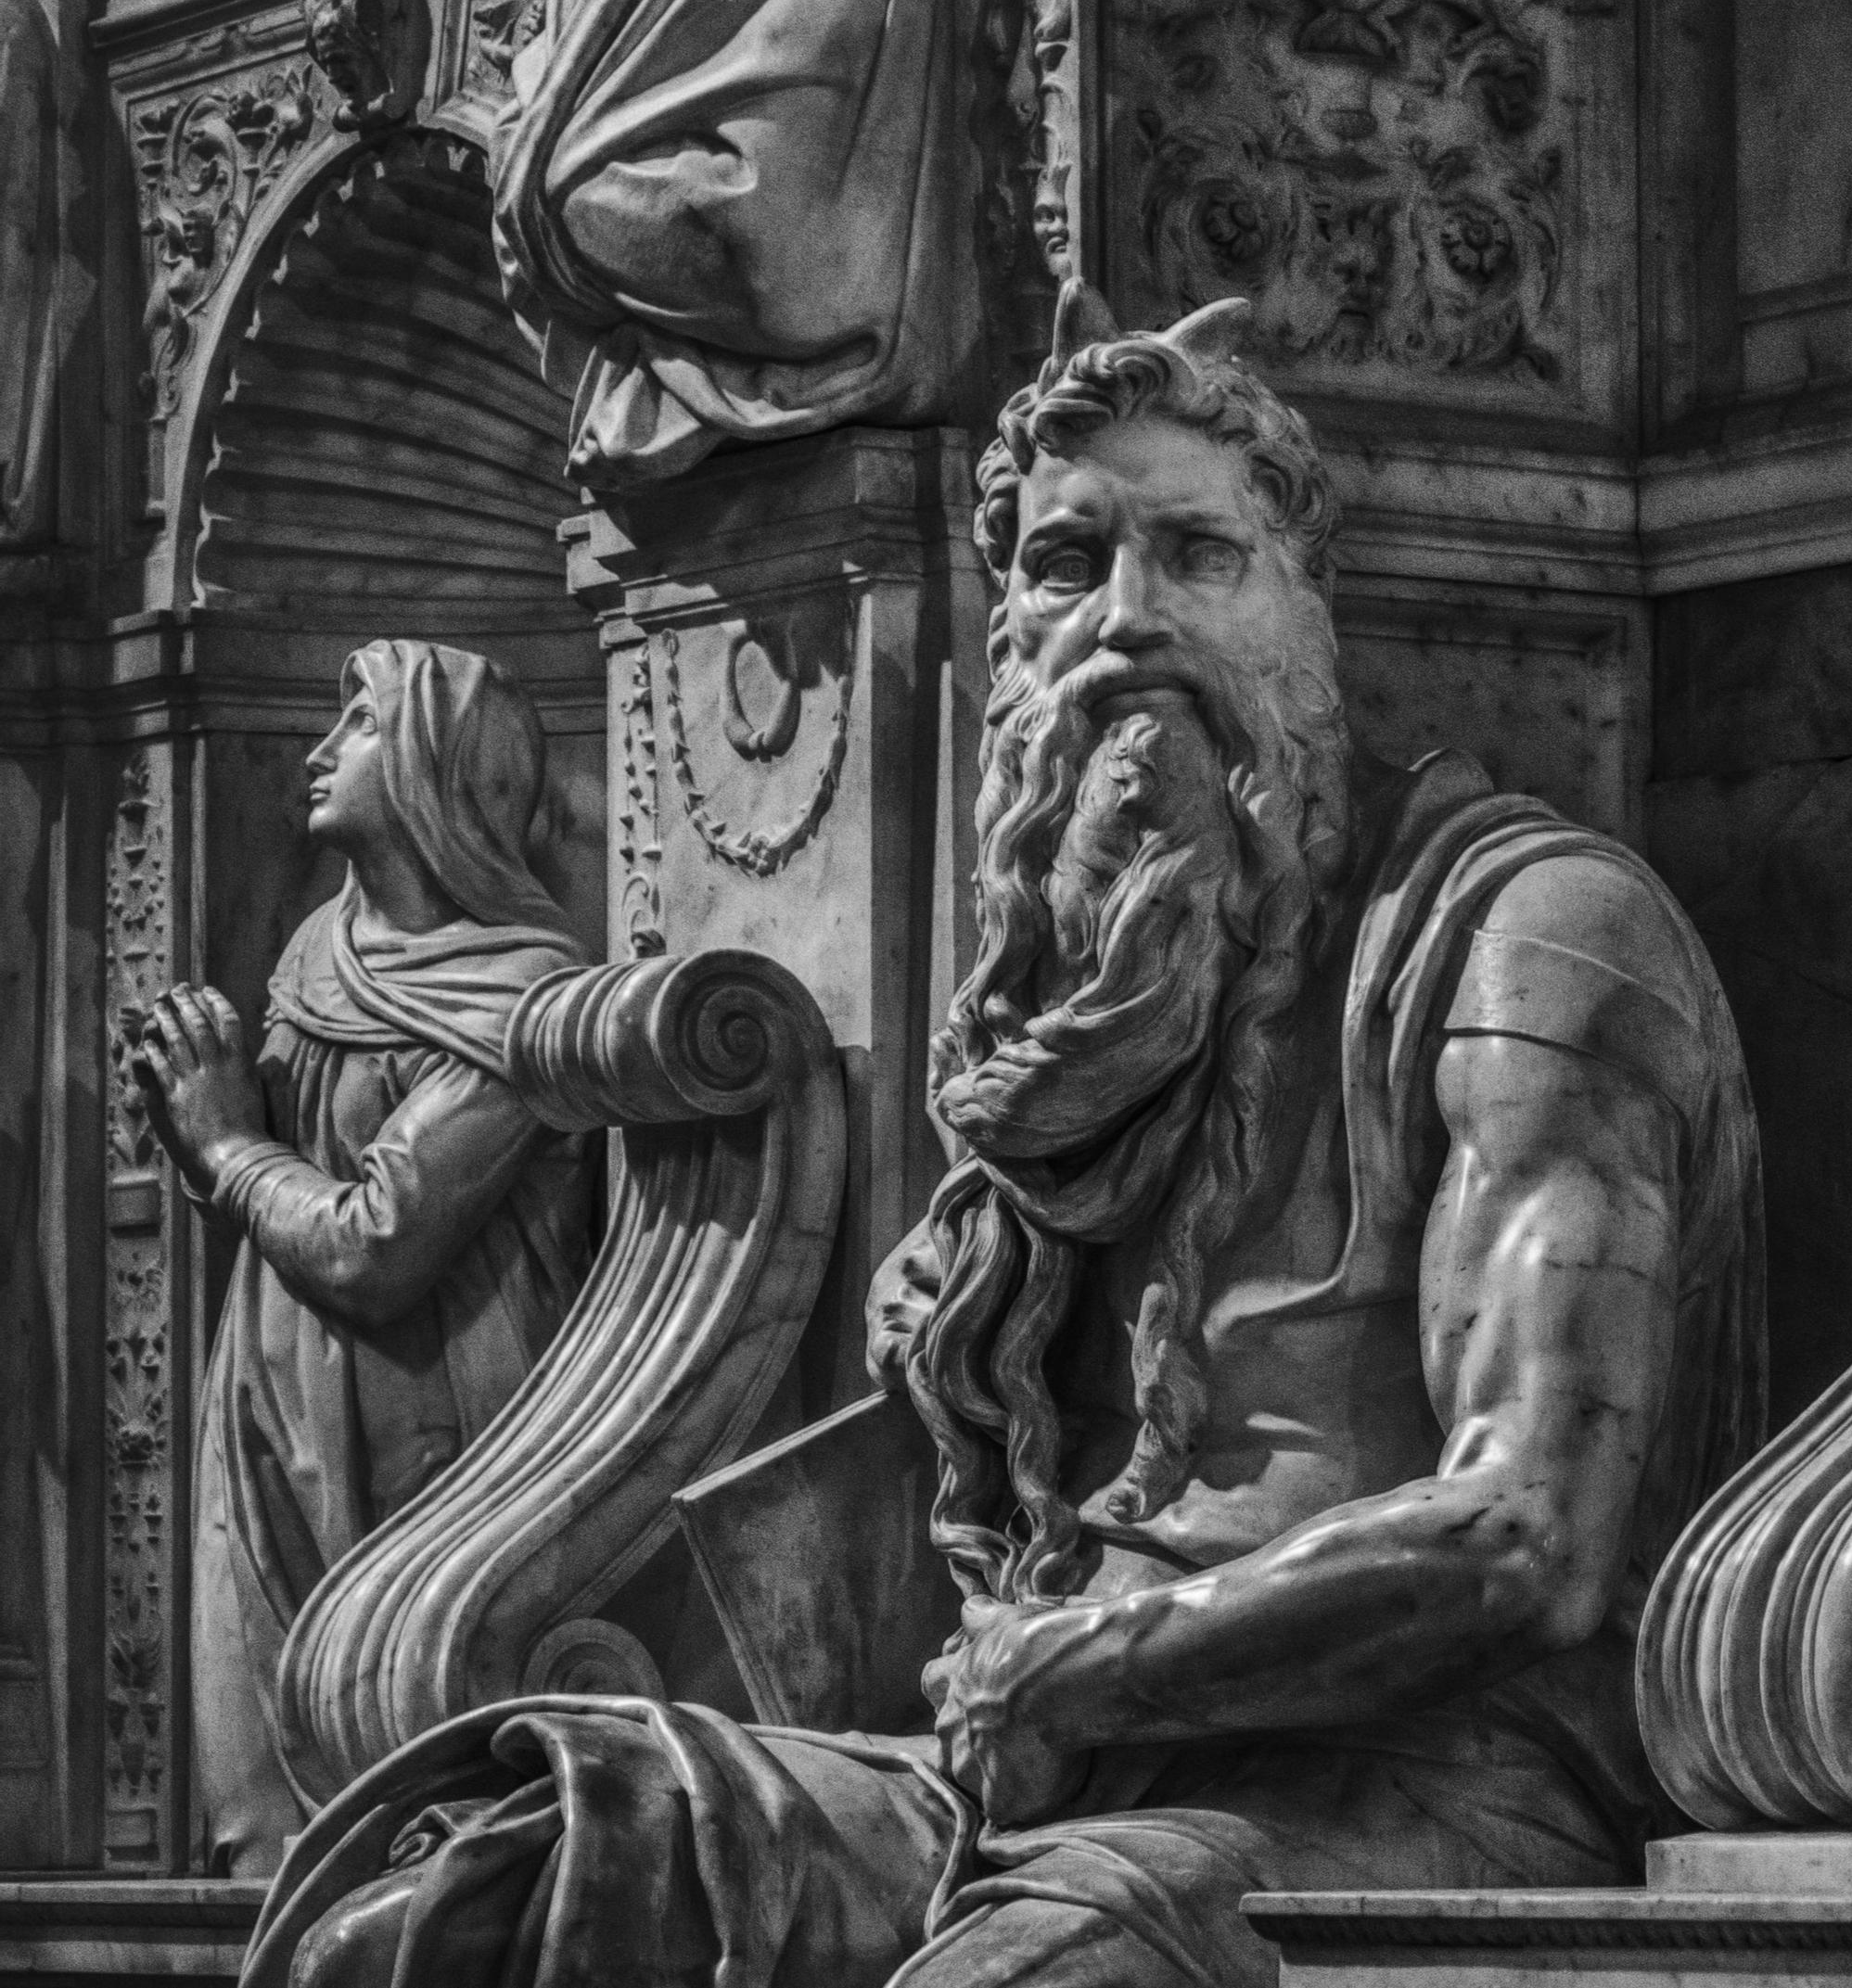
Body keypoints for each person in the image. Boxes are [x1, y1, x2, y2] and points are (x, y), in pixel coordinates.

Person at [240, 291, 1763, 1988]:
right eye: (1066, 564)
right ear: (1009, 640)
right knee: (457, 1904)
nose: (1128, 619)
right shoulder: (1087, 1003)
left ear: (1305, 609)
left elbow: (1530, 1533)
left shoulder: (1531, 941)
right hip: (1043, 1770)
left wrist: (1081, 1664)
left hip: (1431, 1785)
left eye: (1200, 555)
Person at [128, 641, 596, 1876]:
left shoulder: (521, 995)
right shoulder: (315, 953)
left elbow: (378, 1245)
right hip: (270, 1406)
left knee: (406, 1800)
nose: (322, 748)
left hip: (435, 1432)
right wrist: (194, 1116)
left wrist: (227, 1144)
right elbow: (272, 1182)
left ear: (445, 765)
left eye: (363, 721)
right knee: (255, 1806)